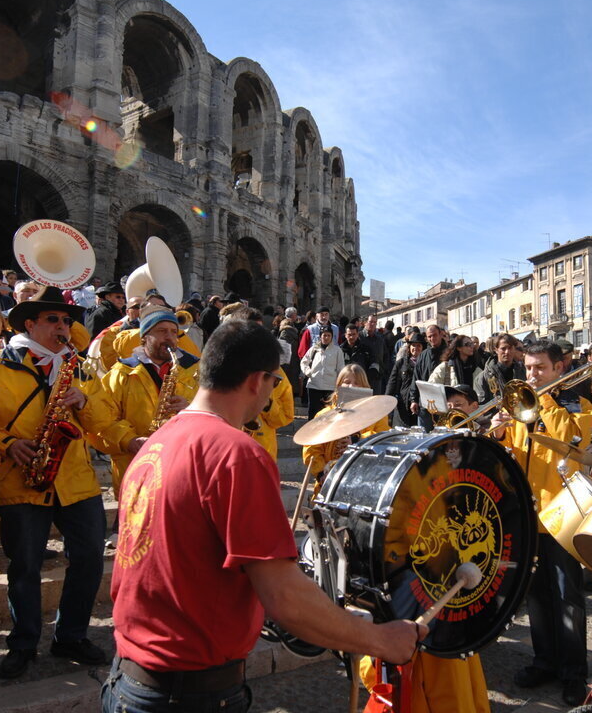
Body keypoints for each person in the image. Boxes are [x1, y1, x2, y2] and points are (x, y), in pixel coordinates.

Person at [102, 320, 424, 713]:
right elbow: (283, 596)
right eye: (274, 382)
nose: (272, 392)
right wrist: (380, 640)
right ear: (257, 380)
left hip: (129, 677)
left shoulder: (158, 440)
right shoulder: (235, 453)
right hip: (186, 694)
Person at [0, 286, 129, 680]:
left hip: (75, 478)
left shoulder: (78, 365)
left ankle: (71, 635)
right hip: (21, 477)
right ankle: (23, 642)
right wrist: (7, 445)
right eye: (53, 320)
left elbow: (100, 423)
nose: (63, 327)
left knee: (90, 559)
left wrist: (84, 401)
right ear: (30, 323)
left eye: (66, 320)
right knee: (24, 566)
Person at [490, 339, 589, 704]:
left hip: (563, 515)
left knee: (568, 598)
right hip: (529, 515)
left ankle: (574, 672)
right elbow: (511, 457)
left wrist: (541, 400)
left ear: (557, 369)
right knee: (536, 596)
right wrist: (500, 431)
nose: (531, 375)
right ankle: (544, 660)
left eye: (539, 369)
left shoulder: (575, 402)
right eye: (528, 368)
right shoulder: (518, 406)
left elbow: (572, 440)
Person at [88, 305, 199, 547]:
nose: (169, 337)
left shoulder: (195, 369)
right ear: (144, 336)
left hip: (183, 466)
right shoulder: (121, 372)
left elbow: (219, 412)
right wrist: (129, 440)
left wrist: (190, 408)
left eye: (173, 331)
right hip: (135, 465)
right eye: (161, 331)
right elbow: (100, 420)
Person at [221, 306, 294, 460]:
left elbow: (286, 416)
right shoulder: (216, 367)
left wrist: (267, 404)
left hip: (262, 453)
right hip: (224, 452)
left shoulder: (275, 371)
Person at [302, 365, 390, 482]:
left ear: (365, 387)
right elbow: (312, 449)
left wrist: (357, 440)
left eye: (357, 383)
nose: (351, 386)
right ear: (338, 387)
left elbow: (384, 442)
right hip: (329, 480)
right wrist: (321, 472)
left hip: (364, 479)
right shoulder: (324, 415)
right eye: (346, 382)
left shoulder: (378, 415)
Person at [301, 327, 345, 418]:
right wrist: (308, 372)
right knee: (313, 413)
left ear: (332, 337)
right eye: (324, 335)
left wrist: (339, 384)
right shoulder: (314, 349)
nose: (326, 337)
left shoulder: (337, 351)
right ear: (320, 336)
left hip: (330, 387)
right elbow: (304, 362)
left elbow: (341, 368)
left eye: (329, 335)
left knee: (329, 413)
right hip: (314, 385)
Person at [386, 333, 425, 427]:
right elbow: (392, 382)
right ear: (409, 347)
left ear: (423, 348)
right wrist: (386, 401)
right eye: (413, 345)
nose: (416, 348)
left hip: (420, 405)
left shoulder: (425, 363)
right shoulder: (401, 363)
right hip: (402, 406)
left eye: (419, 345)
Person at [479, 333, 525, 404]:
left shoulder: (523, 371)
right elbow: (481, 406)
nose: (507, 352)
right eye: (503, 349)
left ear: (514, 349)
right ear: (496, 350)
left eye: (510, 348)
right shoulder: (484, 377)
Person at [278, 307, 301, 390]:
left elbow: (283, 347)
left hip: (287, 361)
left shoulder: (285, 332)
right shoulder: (292, 330)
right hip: (292, 359)